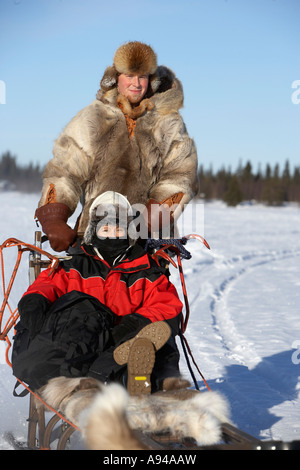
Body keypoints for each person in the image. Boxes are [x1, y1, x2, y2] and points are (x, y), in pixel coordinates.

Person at [12, 192, 186, 395]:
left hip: (125, 335)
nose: (112, 235)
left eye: (118, 229)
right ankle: (124, 380)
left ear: (129, 233)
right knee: (75, 317)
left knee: (155, 336)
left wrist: (132, 324)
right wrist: (35, 300)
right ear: (94, 233)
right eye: (106, 229)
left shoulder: (145, 270)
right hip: (84, 340)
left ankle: (137, 378)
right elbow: (49, 284)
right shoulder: (76, 264)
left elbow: (167, 304)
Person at [34, 41, 199, 252]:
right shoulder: (93, 117)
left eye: (142, 77)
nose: (136, 83)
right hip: (93, 237)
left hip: (147, 242)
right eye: (129, 76)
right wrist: (54, 217)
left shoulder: (168, 123)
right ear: (116, 78)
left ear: (151, 81)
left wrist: (145, 224)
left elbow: (180, 177)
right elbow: (65, 171)